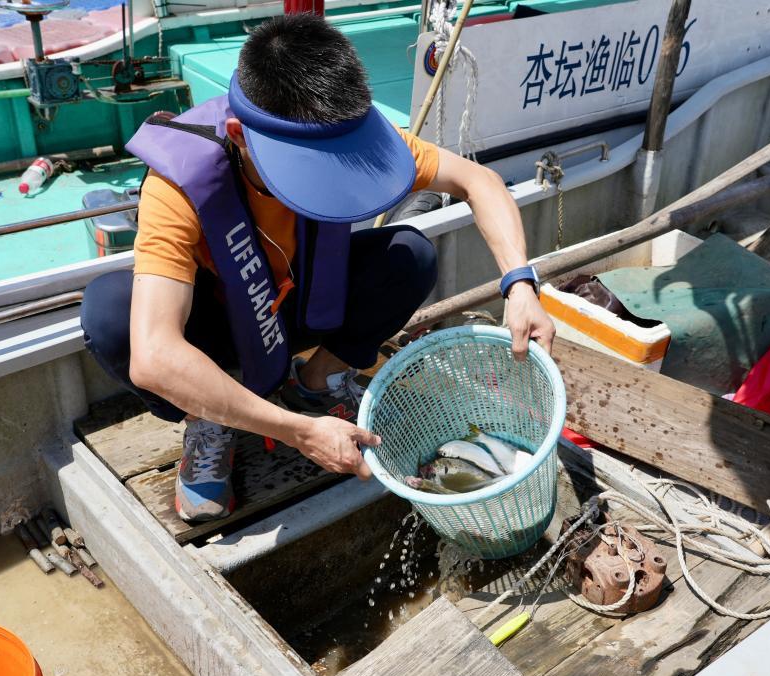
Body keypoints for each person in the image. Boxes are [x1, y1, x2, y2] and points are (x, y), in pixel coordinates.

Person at [81, 13, 555, 523]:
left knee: (410, 255)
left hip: (304, 301)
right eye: (309, 166)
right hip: (224, 325)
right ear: (241, 136)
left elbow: (478, 181)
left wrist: (520, 284)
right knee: (111, 313)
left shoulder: (337, 128)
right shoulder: (177, 185)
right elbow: (153, 357)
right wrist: (298, 433)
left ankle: (315, 382)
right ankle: (210, 418)